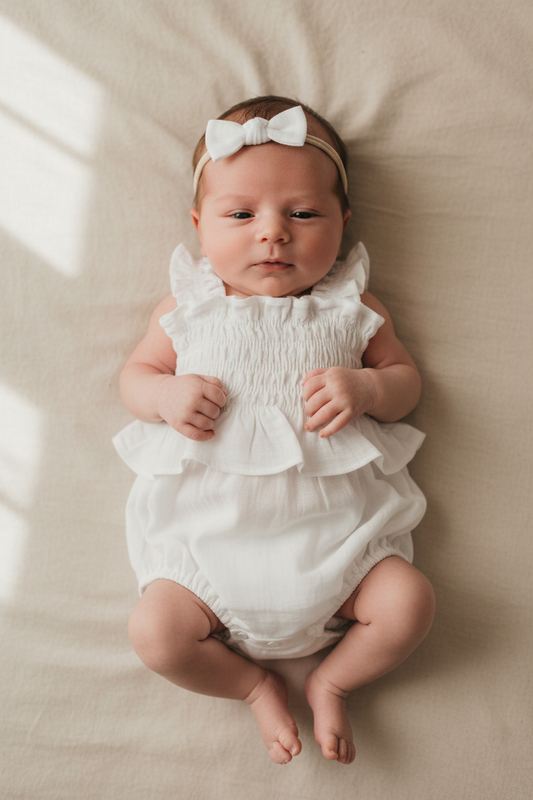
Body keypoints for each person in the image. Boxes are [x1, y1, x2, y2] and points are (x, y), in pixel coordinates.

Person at [113, 96, 435, 766]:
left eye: (303, 213)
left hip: (340, 553)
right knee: (155, 636)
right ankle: (252, 687)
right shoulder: (187, 309)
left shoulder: (352, 307)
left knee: (409, 603)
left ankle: (332, 678)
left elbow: (405, 386)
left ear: (343, 224)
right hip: (204, 559)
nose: (272, 233)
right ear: (200, 225)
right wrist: (165, 394)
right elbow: (135, 377)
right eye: (240, 214)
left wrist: (372, 387)